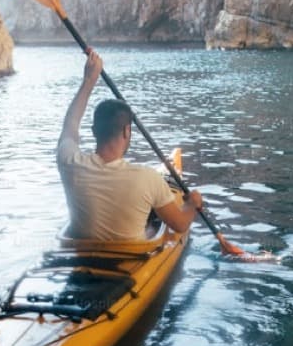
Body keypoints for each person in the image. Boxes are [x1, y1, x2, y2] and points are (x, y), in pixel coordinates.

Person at [57, 49, 203, 241]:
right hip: (133, 256)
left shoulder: (69, 161)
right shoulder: (148, 179)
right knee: (154, 222)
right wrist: (192, 204)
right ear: (127, 131)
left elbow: (70, 125)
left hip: (79, 256)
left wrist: (89, 80)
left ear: (93, 131)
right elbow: (180, 225)